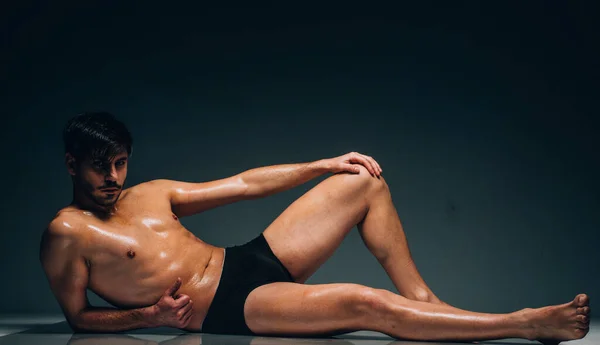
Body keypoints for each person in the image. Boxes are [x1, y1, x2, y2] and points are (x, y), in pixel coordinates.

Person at [40, 112, 590, 343]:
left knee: (362, 183)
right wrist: (151, 316)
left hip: (246, 260)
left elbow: (245, 184)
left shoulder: (149, 193)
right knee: (362, 303)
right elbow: (78, 317)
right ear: (71, 165)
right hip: (227, 306)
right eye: (99, 166)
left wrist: (324, 165)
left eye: (120, 163)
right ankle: (522, 325)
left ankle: (424, 299)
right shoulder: (67, 234)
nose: (112, 177)